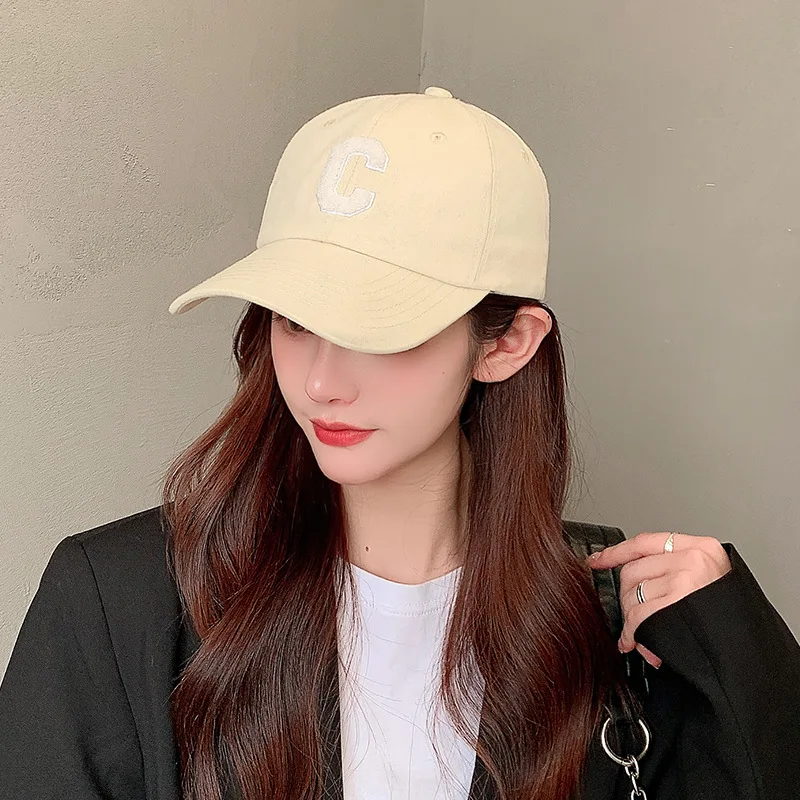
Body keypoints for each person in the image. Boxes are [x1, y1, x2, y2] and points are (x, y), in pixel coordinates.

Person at [1, 86, 799, 800]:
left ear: (505, 343)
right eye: (295, 320)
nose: (321, 381)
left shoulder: (616, 633)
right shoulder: (118, 600)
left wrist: (737, 652)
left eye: (377, 328)